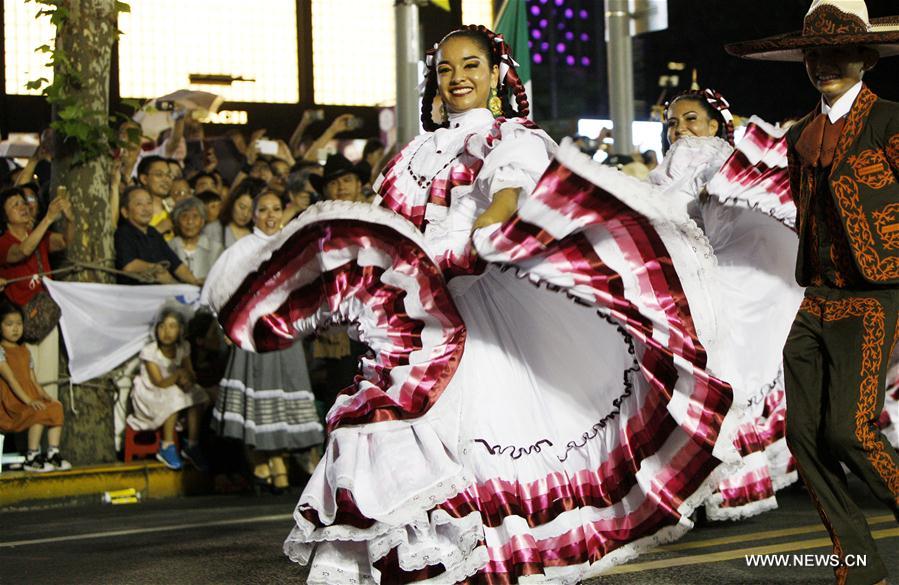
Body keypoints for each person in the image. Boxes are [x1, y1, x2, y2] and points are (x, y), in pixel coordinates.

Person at [204, 25, 743, 583]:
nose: (457, 78)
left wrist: (472, 241)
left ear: (495, 76)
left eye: (470, 66)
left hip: (476, 309)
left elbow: (506, 199)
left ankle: (467, 556)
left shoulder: (511, 137)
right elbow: (387, 228)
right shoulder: (412, 154)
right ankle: (415, 558)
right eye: (445, 68)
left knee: (453, 436)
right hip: (416, 314)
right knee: (384, 424)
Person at [727, 2, 899, 584]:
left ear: (865, 57)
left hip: (872, 296)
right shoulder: (800, 133)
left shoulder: (891, 121)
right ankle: (859, 564)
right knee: (802, 438)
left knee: (850, 432)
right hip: (817, 297)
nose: (822, 64)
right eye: (813, 54)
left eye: (836, 53)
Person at [202, 191, 323, 494]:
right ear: (253, 215)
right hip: (253, 335)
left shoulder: (291, 243)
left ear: (283, 212)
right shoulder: (242, 248)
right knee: (258, 401)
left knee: (282, 400)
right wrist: (228, 325)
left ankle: (278, 465)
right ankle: (263, 464)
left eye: (275, 209)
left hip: (286, 334)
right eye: (263, 210)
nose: (270, 215)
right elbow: (213, 291)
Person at [0, 186, 74, 402]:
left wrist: (70, 219)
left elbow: (64, 241)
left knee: (48, 380)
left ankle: (49, 416)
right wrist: (48, 219)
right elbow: (22, 251)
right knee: (27, 381)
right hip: (21, 323)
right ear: (4, 216)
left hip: (46, 315)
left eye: (23, 203)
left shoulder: (38, 234)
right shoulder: (3, 243)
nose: (23, 207)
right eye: (15, 205)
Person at [126, 305, 208, 471]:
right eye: (162, 326)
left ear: (180, 330)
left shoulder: (183, 347)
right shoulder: (150, 351)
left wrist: (187, 379)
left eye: (172, 326)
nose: (167, 331)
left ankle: (192, 444)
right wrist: (178, 375)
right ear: (156, 330)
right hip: (150, 394)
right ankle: (166, 445)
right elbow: (159, 382)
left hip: (172, 388)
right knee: (174, 395)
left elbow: (190, 372)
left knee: (198, 393)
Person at [0, 302, 70, 472]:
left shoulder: (24, 350)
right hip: (11, 405)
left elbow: (33, 381)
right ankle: (32, 457)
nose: (15, 329)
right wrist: (29, 401)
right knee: (38, 412)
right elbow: (12, 380)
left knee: (55, 407)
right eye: (9, 324)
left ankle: (53, 452)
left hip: (29, 398)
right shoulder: (1, 351)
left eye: (19, 324)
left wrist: (46, 396)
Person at [114, 185, 200, 285]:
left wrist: (195, 281)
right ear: (125, 212)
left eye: (149, 203)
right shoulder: (124, 233)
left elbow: (176, 264)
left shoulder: (153, 232)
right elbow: (128, 266)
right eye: (139, 204)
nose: (146, 209)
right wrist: (155, 268)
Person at [168, 197, 222, 283]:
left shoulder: (216, 249)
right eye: (184, 217)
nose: (190, 222)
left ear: (202, 221)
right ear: (177, 221)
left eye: (195, 216)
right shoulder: (168, 248)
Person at [136, 155, 175, 239]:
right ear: (144, 179)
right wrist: (157, 230)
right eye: (159, 175)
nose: (166, 180)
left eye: (168, 175)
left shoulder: (174, 209)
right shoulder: (136, 214)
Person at [218, 178, 263, 248]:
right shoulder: (214, 229)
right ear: (232, 202)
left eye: (251, 210)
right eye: (242, 207)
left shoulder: (256, 238)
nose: (245, 214)